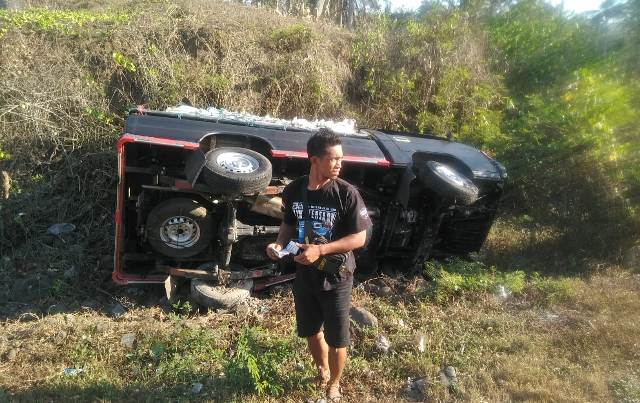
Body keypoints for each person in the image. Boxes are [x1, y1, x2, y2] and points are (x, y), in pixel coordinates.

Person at [266, 128, 372, 401]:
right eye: (333, 159)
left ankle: (335, 383)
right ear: (314, 160)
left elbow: (359, 237)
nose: (339, 164)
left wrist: (322, 249)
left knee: (338, 339)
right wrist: (278, 245)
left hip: (336, 276)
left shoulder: (346, 193)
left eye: (341, 159)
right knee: (311, 331)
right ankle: (322, 370)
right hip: (305, 275)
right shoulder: (294, 190)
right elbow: (289, 223)